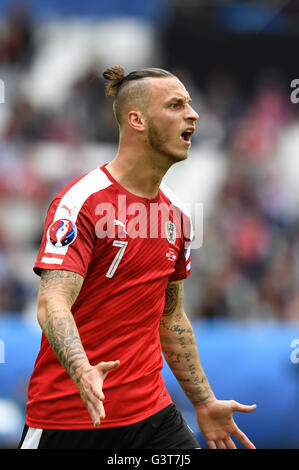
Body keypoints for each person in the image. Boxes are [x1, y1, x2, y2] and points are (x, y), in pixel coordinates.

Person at [18, 66, 256, 450]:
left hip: (152, 417)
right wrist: (82, 370)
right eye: (176, 105)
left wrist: (204, 401)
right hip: (71, 418)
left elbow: (171, 316)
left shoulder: (177, 213)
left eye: (190, 104)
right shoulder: (82, 202)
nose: (192, 114)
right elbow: (52, 303)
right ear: (137, 120)